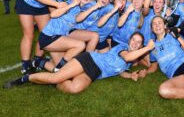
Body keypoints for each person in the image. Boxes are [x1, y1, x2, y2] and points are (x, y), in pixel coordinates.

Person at [4, 32, 155, 94]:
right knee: (57, 78)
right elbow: (127, 57)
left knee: (74, 88)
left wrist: (130, 76)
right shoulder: (123, 48)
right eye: (133, 40)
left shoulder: (131, 61)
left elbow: (118, 69)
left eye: (138, 42)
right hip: (89, 60)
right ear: (129, 41)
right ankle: (24, 79)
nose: (135, 43)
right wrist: (148, 47)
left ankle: (44, 65)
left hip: (95, 73)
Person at [15, 0, 82, 75]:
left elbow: (53, 6)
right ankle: (25, 65)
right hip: (26, 0)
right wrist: (57, 5)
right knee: (29, 34)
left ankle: (37, 60)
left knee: (45, 32)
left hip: (42, 5)